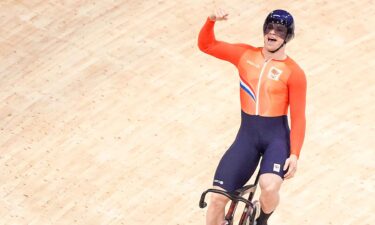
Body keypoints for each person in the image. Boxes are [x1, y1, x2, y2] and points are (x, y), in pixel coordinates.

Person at [198, 8, 307, 225]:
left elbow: (298, 117)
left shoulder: (294, 73)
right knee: (217, 198)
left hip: (276, 139)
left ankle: (261, 218)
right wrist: (211, 21)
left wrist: (294, 153)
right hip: (246, 138)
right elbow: (207, 45)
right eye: (269, 27)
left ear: (288, 37)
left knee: (269, 185)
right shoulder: (245, 55)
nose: (273, 33)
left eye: (280, 30)